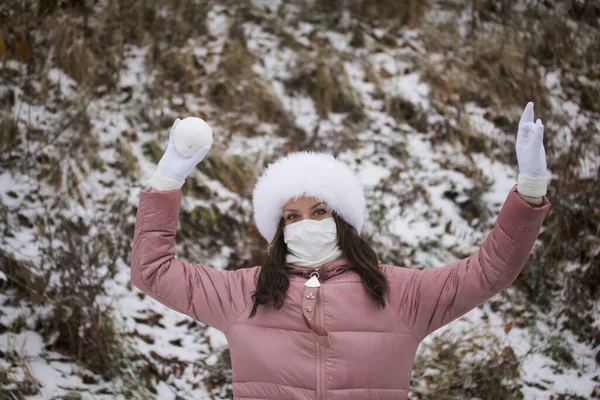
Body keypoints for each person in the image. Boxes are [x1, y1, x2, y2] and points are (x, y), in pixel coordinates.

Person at [130, 102, 552, 400]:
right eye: (291, 217)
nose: (307, 224)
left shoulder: (399, 294)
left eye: (319, 210)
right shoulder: (246, 294)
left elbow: (489, 271)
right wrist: (167, 180)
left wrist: (529, 189)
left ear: (342, 220)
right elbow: (153, 270)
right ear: (277, 229)